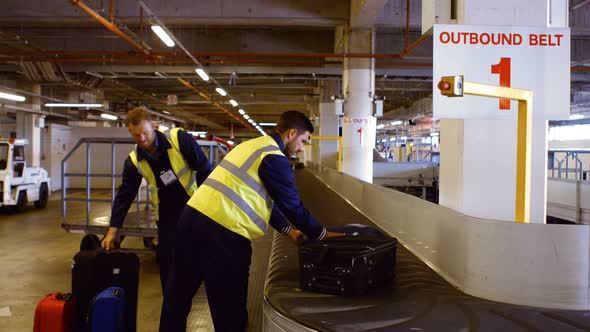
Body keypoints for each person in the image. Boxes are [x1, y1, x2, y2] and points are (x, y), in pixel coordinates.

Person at [159, 110, 344, 332]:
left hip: (190, 220)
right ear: (292, 133)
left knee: (177, 299)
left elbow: (262, 198)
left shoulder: (251, 147)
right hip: (223, 232)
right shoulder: (274, 157)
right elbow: (292, 206)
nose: (302, 148)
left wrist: (289, 231)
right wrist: (320, 234)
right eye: (303, 141)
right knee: (229, 308)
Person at [101, 106, 212, 290]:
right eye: (136, 135)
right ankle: (171, 302)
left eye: (145, 132)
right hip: (166, 216)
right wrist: (113, 230)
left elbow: (204, 170)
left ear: (154, 125)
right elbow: (125, 195)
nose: (142, 139)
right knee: (167, 264)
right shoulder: (134, 161)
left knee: (200, 257)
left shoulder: (179, 139)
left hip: (194, 207)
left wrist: (209, 209)